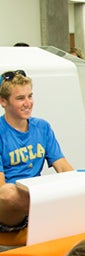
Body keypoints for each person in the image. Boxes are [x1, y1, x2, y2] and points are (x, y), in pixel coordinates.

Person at [0, 70, 74, 233]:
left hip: (36, 196)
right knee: (9, 193)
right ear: (3, 101)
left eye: (30, 96)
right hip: (9, 209)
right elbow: (2, 190)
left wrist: (78, 186)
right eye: (20, 98)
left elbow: (62, 166)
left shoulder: (42, 127)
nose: (28, 103)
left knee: (73, 181)